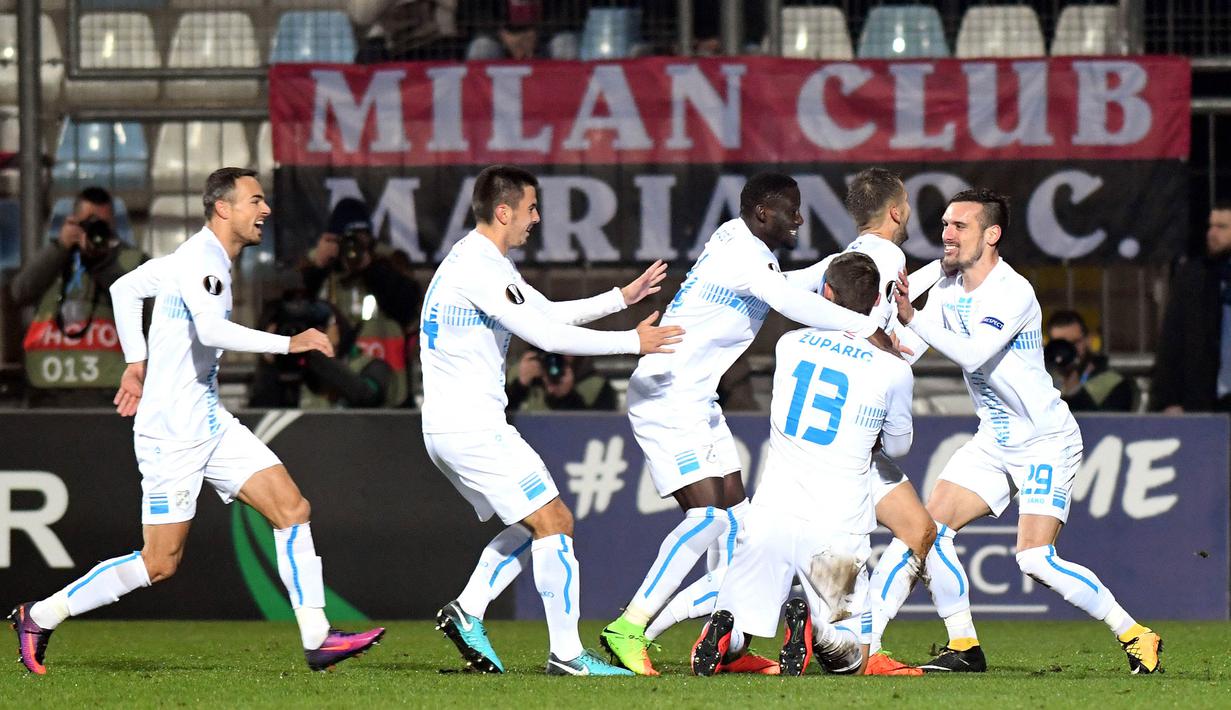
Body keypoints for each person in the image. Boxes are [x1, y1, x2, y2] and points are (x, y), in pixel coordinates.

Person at [6, 168, 386, 676]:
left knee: (292, 508)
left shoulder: (193, 258)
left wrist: (136, 362)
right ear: (223, 208)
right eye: (255, 200)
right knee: (159, 562)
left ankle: (318, 638)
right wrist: (289, 342)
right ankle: (40, 615)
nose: (265, 210)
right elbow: (210, 329)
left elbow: (123, 288)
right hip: (171, 434)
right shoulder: (202, 261)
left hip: (209, 420)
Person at [600, 172, 886, 676]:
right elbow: (788, 301)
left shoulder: (747, 248)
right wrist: (866, 325)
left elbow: (787, 285)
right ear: (762, 212)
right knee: (709, 519)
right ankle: (630, 625)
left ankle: (729, 644)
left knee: (739, 527)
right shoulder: (742, 253)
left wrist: (844, 261)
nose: (799, 219)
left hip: (697, 398)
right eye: (791, 211)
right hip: (668, 392)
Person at [881, 188, 1161, 674]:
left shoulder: (1012, 291)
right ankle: (959, 646)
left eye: (959, 226)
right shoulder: (946, 290)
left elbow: (972, 354)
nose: (947, 234)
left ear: (991, 234)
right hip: (994, 439)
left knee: (1034, 559)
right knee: (926, 534)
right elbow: (909, 347)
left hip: (1045, 441)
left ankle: (1136, 634)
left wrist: (913, 316)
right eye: (944, 224)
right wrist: (875, 341)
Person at [421, 164, 681, 676]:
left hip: (454, 426)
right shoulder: (479, 267)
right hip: (472, 427)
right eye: (531, 208)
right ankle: (566, 655)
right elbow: (547, 337)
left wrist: (621, 299)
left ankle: (468, 609)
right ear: (504, 211)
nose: (537, 218)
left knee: (532, 524)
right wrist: (632, 342)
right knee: (554, 521)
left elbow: (542, 313)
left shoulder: (480, 262)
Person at [690, 252, 913, 677]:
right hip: (837, 526)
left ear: (826, 292)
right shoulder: (893, 369)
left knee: (738, 623)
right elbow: (899, 447)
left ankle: (727, 635)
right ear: (875, 302)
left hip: (770, 516)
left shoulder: (789, 345)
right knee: (853, 660)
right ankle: (817, 629)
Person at [10, 187, 148, 407]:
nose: (94, 231)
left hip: (109, 392)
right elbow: (20, 292)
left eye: (101, 225)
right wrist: (60, 247)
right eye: (87, 223)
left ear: (113, 226)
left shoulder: (133, 262)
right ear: (73, 222)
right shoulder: (55, 259)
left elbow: (140, 306)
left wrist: (101, 262)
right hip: (47, 390)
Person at [295, 198, 421, 407]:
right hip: (327, 392)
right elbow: (289, 311)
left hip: (387, 386)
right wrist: (316, 269)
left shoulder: (390, 262)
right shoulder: (317, 265)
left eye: (359, 239)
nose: (351, 248)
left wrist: (371, 268)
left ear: (370, 238)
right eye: (345, 240)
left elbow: (408, 309)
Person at [1150, 201, 1231, 413]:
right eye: (1211, 226)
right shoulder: (1194, 277)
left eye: (1221, 227)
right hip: (1205, 401)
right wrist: (1169, 399)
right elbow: (1172, 341)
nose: (1212, 233)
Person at [1044, 309, 1137, 412]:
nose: (1068, 351)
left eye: (1075, 342)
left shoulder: (1110, 381)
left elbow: (1108, 418)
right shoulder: (1041, 376)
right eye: (1061, 345)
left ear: (1087, 340)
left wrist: (1074, 392)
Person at [506, 349, 617, 412]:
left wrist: (567, 397)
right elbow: (499, 418)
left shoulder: (597, 387)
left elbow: (599, 432)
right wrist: (520, 386)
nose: (557, 353)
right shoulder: (517, 374)